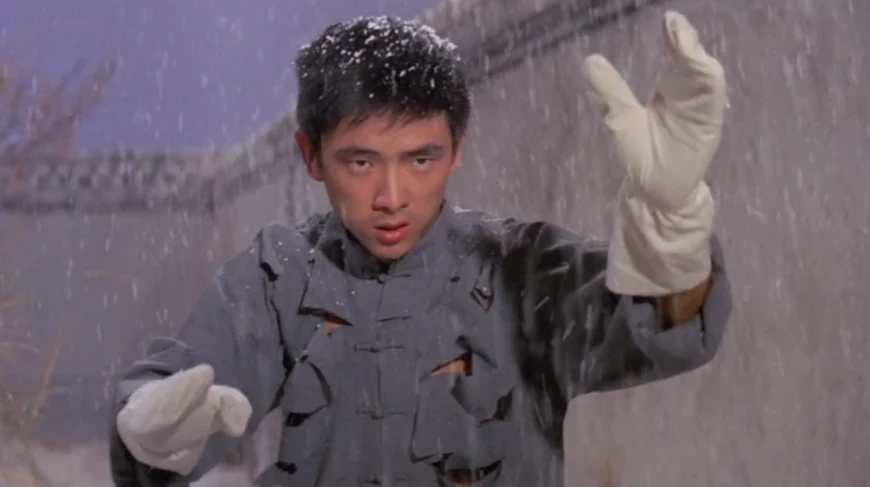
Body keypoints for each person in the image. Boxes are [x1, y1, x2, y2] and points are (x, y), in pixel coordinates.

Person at [109, 11, 731, 487]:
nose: (391, 196)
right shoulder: (282, 276)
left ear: (456, 149)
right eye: (360, 162)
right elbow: (187, 387)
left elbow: (655, 327)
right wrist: (154, 438)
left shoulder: (522, 267)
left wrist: (670, 227)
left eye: (420, 160)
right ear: (311, 157)